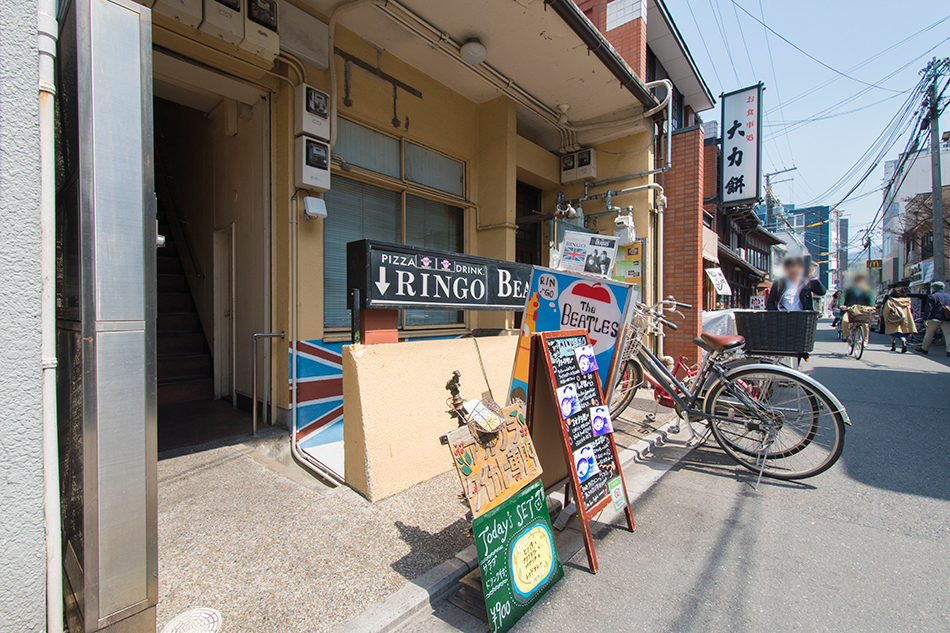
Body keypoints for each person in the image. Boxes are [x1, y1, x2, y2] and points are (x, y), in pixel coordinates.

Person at [915, 280, 950, 357]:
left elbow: (929, 309)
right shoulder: (948, 296)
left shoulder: (932, 296)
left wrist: (926, 319)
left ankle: (924, 349)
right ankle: (949, 351)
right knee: (948, 335)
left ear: (933, 288)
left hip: (934, 318)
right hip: (946, 318)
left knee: (929, 334)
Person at [839, 275, 875, 342]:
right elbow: (843, 296)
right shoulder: (849, 290)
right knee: (845, 321)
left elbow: (871, 299)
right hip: (850, 309)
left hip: (863, 311)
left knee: (865, 324)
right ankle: (846, 335)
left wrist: (872, 306)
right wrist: (841, 305)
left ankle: (865, 341)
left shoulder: (868, 291)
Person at [881, 286, 916, 353]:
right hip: (904, 318)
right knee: (902, 332)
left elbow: (886, 311)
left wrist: (886, 318)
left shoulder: (890, 301)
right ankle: (903, 341)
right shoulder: (907, 301)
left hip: (893, 318)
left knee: (892, 331)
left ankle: (893, 345)